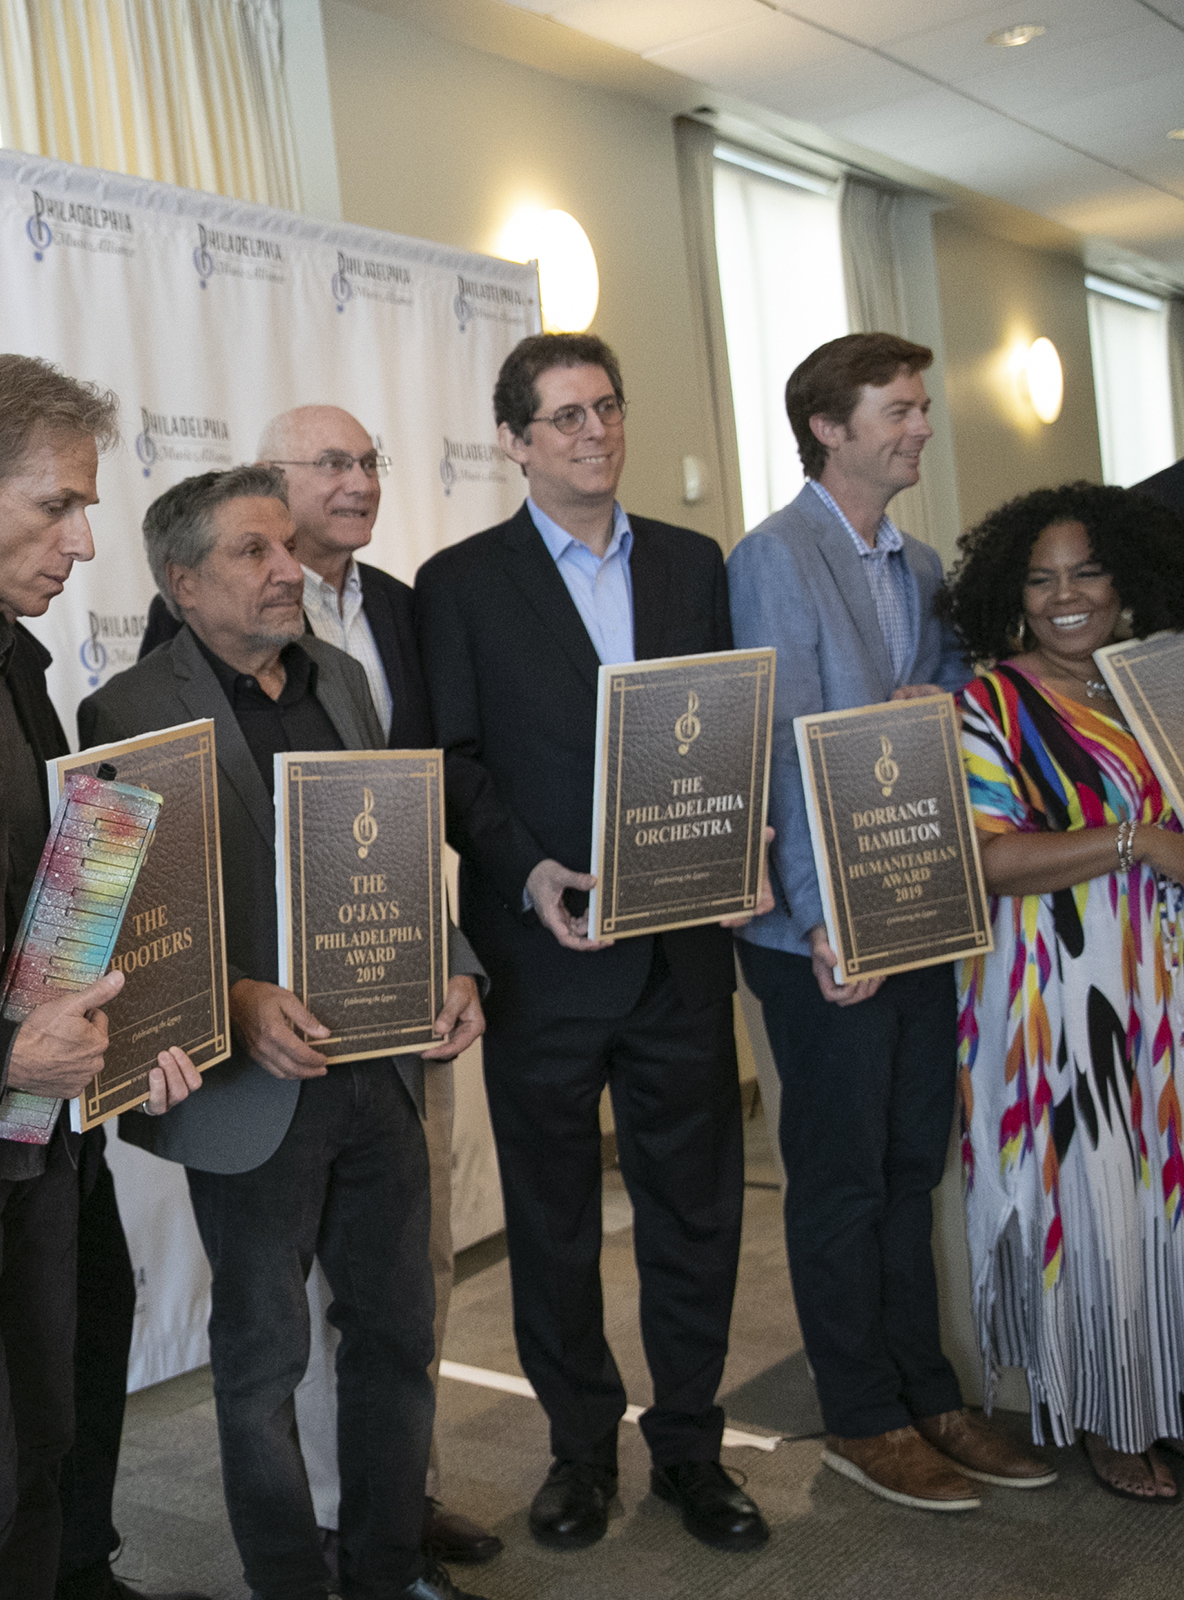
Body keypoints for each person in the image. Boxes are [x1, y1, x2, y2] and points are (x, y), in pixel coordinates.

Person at [82, 466, 490, 1600]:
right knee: (263, 1364)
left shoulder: (348, 679)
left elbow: (397, 847)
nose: (288, 569)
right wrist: (237, 1000)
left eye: (287, 548)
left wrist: (452, 966)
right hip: (252, 1097)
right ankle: (287, 1585)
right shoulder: (123, 713)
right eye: (254, 552)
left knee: (398, 1341)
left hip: (383, 1071)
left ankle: (385, 1570)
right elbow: (131, 923)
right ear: (182, 579)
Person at [414, 332, 770, 1555]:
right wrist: (527, 873)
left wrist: (742, 843)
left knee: (697, 1211)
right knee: (553, 1222)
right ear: (514, 441)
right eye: (563, 417)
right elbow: (451, 760)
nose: (594, 433)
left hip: (680, 955)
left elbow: (725, 725)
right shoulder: (460, 582)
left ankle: (690, 1449)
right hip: (545, 956)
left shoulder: (691, 562)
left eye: (606, 408)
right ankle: (579, 1450)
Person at [0, 354, 200, 1600]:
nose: (81, 540)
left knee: (44, 1450)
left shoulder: (15, 658)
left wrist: (146, 1021)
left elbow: (47, 895)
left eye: (87, 507)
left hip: (38, 1138)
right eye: (55, 506)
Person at [728, 333, 1053, 1511]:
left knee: (914, 1166)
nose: (920, 426)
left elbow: (957, 703)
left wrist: (950, 700)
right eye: (899, 410)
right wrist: (825, 922)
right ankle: (861, 1414)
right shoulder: (772, 555)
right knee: (840, 1179)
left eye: (921, 407)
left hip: (919, 911)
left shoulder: (917, 564)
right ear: (830, 426)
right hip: (824, 938)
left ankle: (933, 1393)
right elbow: (777, 748)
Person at [940, 482, 1184, 1504]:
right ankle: (1111, 1415)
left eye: (1086, 569)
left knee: (1165, 1200)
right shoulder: (988, 702)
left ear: (1123, 579)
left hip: (1162, 986)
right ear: (1012, 593)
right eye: (1040, 578)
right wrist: (1134, 841)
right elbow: (990, 860)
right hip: (1059, 997)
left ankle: (1168, 1395)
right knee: (1094, 1204)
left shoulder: (1150, 682)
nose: (1065, 594)